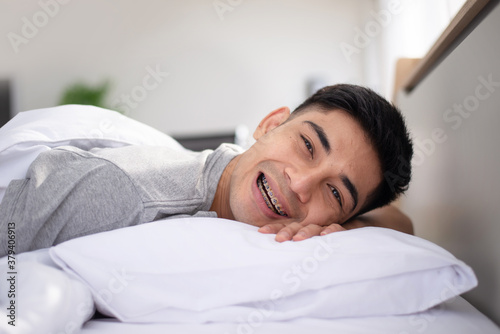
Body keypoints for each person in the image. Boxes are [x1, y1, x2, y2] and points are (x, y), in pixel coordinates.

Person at [0, 84, 413, 257]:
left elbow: (402, 222)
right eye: (307, 145)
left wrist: (350, 229)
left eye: (335, 193)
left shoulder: (241, 165)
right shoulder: (123, 198)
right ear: (270, 124)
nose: (301, 185)